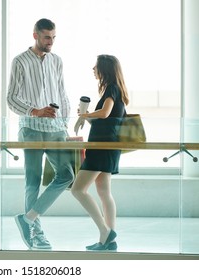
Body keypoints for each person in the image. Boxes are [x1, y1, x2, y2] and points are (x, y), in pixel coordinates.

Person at [7, 18, 74, 250]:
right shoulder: (20, 61)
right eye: (47, 37)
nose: (51, 42)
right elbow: (12, 98)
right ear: (35, 35)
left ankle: (27, 219)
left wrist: (65, 124)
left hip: (57, 131)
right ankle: (36, 234)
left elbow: (62, 94)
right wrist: (35, 111)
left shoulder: (57, 61)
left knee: (67, 175)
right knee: (32, 183)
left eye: (54, 38)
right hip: (31, 130)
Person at [70, 54, 129, 251]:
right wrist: (86, 117)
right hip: (109, 147)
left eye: (95, 66)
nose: (93, 69)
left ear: (104, 69)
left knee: (77, 189)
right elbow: (107, 119)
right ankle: (108, 240)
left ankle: (105, 231)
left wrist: (86, 114)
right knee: (104, 192)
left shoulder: (112, 88)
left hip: (102, 147)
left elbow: (104, 113)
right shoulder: (117, 89)